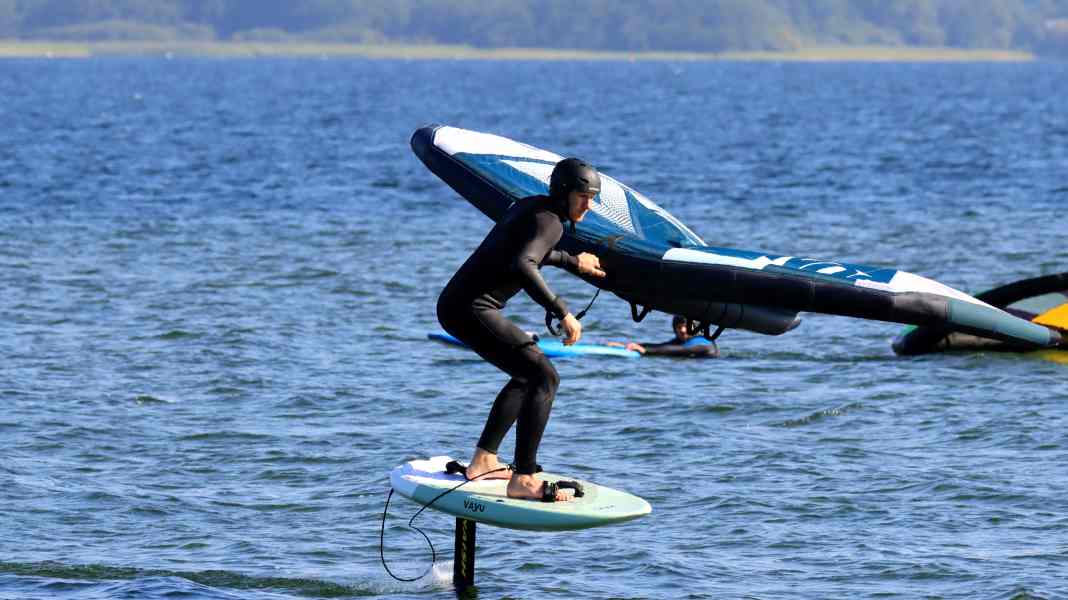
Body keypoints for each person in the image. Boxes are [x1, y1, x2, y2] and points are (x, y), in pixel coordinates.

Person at [436, 157, 606, 502]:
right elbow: (524, 263)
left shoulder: (534, 208)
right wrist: (563, 311)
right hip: (472, 308)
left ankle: (483, 461)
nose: (589, 205)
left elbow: (530, 252)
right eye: (582, 196)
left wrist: (576, 262)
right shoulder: (551, 223)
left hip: (457, 304)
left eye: (592, 197)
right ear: (563, 193)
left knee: (527, 374)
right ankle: (524, 478)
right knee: (545, 376)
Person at [607, 315, 719, 358]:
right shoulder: (679, 341)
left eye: (685, 327)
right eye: (679, 327)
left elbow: (681, 350)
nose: (683, 331)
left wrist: (646, 351)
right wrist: (625, 346)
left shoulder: (704, 343)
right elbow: (662, 346)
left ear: (694, 328)